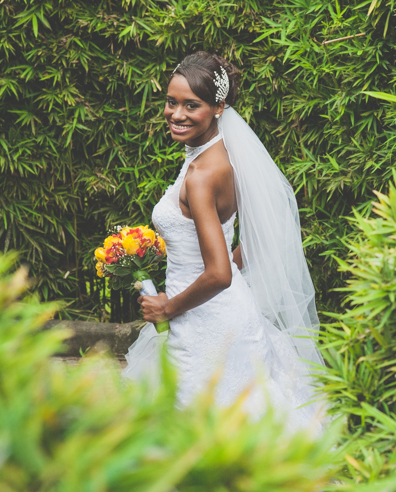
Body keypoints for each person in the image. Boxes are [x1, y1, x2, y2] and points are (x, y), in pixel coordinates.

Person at [122, 51, 324, 432]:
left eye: (191, 105)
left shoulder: (201, 175)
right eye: (171, 102)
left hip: (204, 320)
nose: (176, 114)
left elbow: (218, 275)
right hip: (222, 313)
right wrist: (225, 263)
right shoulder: (221, 156)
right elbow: (263, 235)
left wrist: (168, 309)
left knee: (203, 427)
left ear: (219, 107)